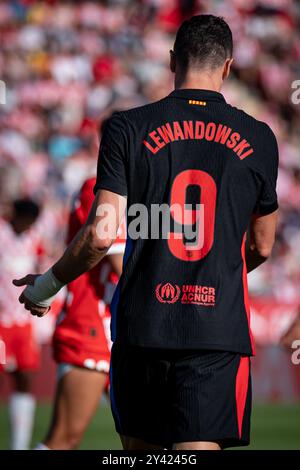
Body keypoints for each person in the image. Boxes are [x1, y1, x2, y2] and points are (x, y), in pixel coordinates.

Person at [14, 15, 279, 450]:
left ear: (173, 60)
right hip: (215, 332)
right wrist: (212, 274)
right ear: (228, 67)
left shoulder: (127, 127)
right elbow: (262, 245)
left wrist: (46, 286)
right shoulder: (261, 138)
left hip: (142, 327)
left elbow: (101, 235)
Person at [35, 177, 125, 450]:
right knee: (64, 438)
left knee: (150, 440)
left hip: (121, 326)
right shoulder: (102, 187)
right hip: (93, 325)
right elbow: (121, 262)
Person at [0, 198, 42, 449]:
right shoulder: (1, 234)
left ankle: (20, 445)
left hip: (23, 324)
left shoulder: (34, 239)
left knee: (25, 378)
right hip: (0, 323)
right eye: (27, 221)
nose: (29, 226)